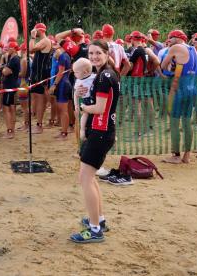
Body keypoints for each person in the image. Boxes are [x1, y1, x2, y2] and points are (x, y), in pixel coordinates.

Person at [70, 40, 121, 244]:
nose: (94, 57)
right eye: (91, 53)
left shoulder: (104, 76)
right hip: (101, 131)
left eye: (98, 53)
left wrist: (83, 107)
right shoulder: (104, 74)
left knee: (85, 179)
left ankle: (94, 229)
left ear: (107, 53)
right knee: (89, 178)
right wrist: (82, 96)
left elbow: (99, 108)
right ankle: (98, 220)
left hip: (101, 132)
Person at [160, 30, 197, 164]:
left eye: (170, 38)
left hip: (179, 89)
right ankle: (187, 155)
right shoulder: (193, 49)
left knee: (174, 122)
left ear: (177, 38)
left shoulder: (175, 47)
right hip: (192, 88)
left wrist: (171, 68)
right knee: (187, 121)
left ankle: (176, 155)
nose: (169, 40)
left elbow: (162, 65)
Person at [49, 39, 77, 140]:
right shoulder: (67, 56)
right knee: (63, 110)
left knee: (63, 110)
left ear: (61, 47)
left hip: (62, 84)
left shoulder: (62, 56)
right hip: (65, 83)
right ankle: (63, 131)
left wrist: (54, 84)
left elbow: (60, 72)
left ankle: (64, 133)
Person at [28, 23, 53, 134]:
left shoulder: (45, 41)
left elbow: (31, 49)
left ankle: (39, 125)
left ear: (40, 30)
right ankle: (38, 124)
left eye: (35, 30)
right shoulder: (42, 41)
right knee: (37, 98)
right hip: (37, 74)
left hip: (40, 75)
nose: (34, 32)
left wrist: (32, 37)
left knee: (40, 99)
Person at [1, 41, 22, 138]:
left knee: (7, 108)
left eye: (9, 48)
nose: (7, 50)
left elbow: (5, 72)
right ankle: (11, 129)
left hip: (10, 86)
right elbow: (6, 70)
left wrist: (3, 69)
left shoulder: (15, 59)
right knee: (11, 107)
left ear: (13, 49)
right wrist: (5, 69)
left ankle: (10, 131)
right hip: (10, 85)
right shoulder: (11, 57)